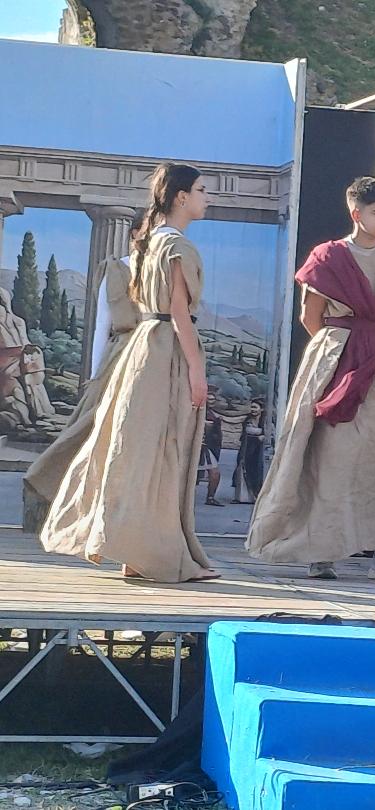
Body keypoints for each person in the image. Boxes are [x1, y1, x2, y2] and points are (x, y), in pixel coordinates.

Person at [39, 162, 219, 583]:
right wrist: (197, 372)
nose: (206, 198)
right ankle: (156, 555)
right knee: (163, 450)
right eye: (201, 190)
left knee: (138, 450)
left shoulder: (148, 244)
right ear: (181, 197)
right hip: (165, 350)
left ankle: (136, 553)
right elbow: (179, 313)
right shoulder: (176, 246)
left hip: (142, 348)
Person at [246, 177, 375, 582]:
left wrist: (372, 338)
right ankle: (320, 551)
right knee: (329, 455)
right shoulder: (328, 257)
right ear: (356, 214)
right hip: (333, 360)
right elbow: (310, 316)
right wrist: (341, 347)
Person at [23, 247, 141, 531]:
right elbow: (103, 325)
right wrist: (95, 375)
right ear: (135, 235)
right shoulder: (117, 270)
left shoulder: (164, 266)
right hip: (119, 360)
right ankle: (54, 491)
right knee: (93, 430)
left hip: (151, 361)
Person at [232, 399, 265, 504]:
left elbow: (268, 435)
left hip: (258, 451)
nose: (253, 409)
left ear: (261, 409)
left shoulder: (265, 422)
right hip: (246, 448)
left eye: (255, 407)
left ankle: (255, 496)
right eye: (252, 407)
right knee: (242, 470)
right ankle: (240, 497)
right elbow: (244, 434)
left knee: (256, 472)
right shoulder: (247, 420)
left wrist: (262, 437)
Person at [199, 389, 225, 507]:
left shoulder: (214, 415)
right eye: (209, 399)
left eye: (213, 399)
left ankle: (210, 497)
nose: (211, 401)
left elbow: (216, 435)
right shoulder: (198, 412)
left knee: (215, 473)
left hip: (207, 448)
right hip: (197, 446)